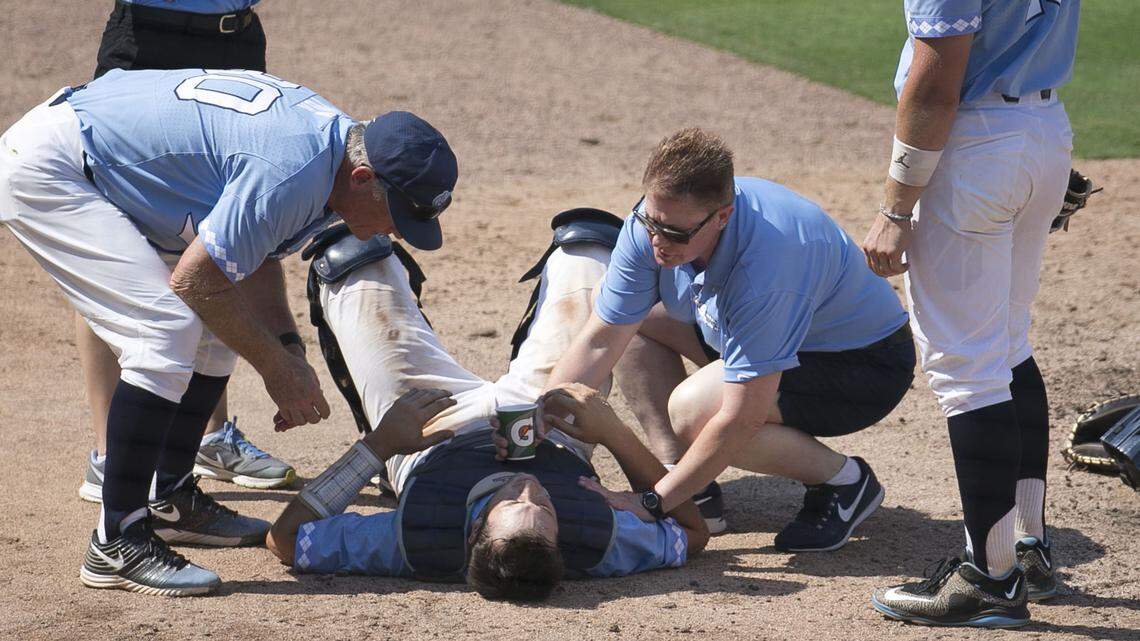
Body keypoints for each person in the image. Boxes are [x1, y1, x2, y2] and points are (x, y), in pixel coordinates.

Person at [0, 67, 458, 595]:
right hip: (54, 168)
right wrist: (276, 369)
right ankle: (117, 540)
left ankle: (170, 500)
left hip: (97, 155)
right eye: (395, 212)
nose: (394, 230)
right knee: (163, 330)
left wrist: (287, 348)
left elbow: (250, 253)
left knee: (218, 329)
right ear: (363, 178)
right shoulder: (293, 171)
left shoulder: (329, 156)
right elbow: (195, 280)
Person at [266, 216, 708, 600]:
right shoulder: (593, 538)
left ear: (475, 531)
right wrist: (612, 432)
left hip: (428, 434)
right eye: (547, 508)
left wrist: (379, 446)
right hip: (550, 426)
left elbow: (284, 539)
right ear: (561, 540)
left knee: (350, 255)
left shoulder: (419, 538)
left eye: (513, 501)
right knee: (595, 247)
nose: (528, 485)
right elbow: (693, 531)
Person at [538, 128, 916, 553]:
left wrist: (651, 502)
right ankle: (684, 479)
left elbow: (741, 418)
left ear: (722, 216)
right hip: (751, 332)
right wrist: (534, 424)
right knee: (637, 321)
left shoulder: (768, 266)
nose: (659, 243)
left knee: (696, 411)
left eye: (676, 233)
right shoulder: (655, 224)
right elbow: (601, 339)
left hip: (860, 366)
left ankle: (844, 482)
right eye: (651, 222)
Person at [861, 0, 1078, 628]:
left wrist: (896, 210)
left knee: (968, 370)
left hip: (973, 148)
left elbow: (936, 82)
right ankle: (1027, 548)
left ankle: (990, 577)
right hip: (1045, 130)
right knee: (1007, 346)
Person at [80, 0, 290, 503]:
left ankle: (206, 437)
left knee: (226, 230)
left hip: (234, 36)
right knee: (120, 236)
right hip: (150, 34)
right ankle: (112, 453)